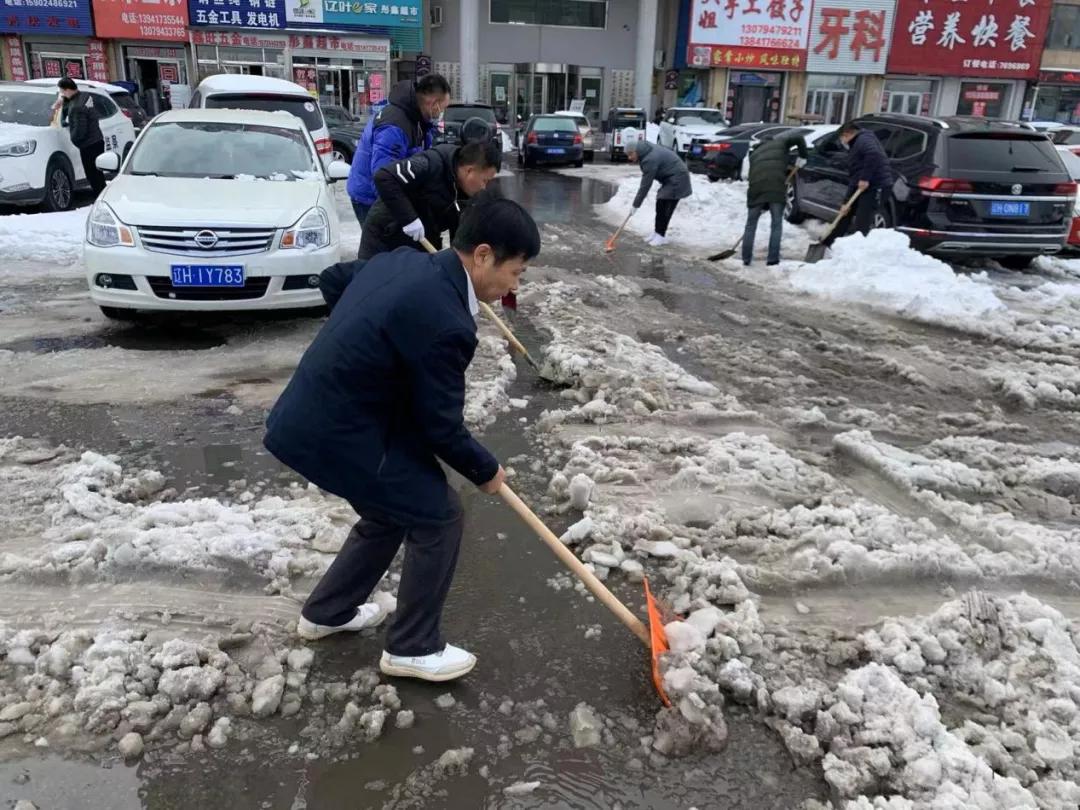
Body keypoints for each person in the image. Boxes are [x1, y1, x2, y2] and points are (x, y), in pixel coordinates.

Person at [264, 194, 542, 682]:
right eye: (516, 272)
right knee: (439, 512)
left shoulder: (400, 262)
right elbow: (440, 428)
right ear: (482, 255)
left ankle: (327, 613)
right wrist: (487, 471)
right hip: (338, 430)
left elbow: (336, 281)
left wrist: (365, 347)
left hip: (310, 415)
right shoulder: (448, 323)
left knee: (392, 508)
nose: (514, 285)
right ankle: (413, 647)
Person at [356, 134, 502, 261]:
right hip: (383, 239)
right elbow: (384, 177)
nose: (484, 187)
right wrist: (409, 219)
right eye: (485, 180)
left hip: (416, 246)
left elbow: (458, 235)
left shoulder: (464, 191)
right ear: (470, 170)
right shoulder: (430, 164)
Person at [345, 74, 451, 226]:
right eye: (443, 108)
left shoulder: (418, 119)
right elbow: (382, 177)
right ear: (434, 103)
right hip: (370, 198)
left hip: (393, 193)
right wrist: (406, 217)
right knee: (382, 245)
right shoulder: (394, 127)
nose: (441, 114)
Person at [820, 121, 892, 249]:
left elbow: (873, 154)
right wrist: (846, 202)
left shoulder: (864, 139)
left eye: (841, 138)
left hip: (877, 186)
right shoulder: (856, 144)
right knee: (845, 213)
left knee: (862, 220)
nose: (842, 141)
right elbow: (855, 177)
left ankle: (859, 251)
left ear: (847, 134)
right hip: (864, 185)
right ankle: (829, 243)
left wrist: (865, 179)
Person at [741, 132, 808, 267]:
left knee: (750, 224)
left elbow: (752, 175)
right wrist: (803, 156)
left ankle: (746, 257)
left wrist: (762, 203)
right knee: (776, 224)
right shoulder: (781, 142)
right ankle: (772, 259)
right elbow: (799, 137)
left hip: (756, 189)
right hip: (776, 188)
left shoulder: (754, 154)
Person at [624, 135, 692, 247]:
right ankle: (657, 233)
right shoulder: (645, 150)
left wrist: (636, 205)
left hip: (678, 179)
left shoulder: (649, 159)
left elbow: (645, 185)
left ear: (636, 151)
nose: (629, 157)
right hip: (670, 179)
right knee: (661, 204)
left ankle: (660, 236)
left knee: (665, 206)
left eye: (631, 154)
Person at [56, 77, 106, 196]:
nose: (61, 94)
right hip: (97, 140)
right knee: (98, 173)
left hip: (88, 145)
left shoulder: (76, 108)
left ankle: (100, 197)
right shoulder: (85, 96)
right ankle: (103, 195)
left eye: (62, 91)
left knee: (92, 175)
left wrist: (74, 139)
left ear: (68, 90)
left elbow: (80, 130)